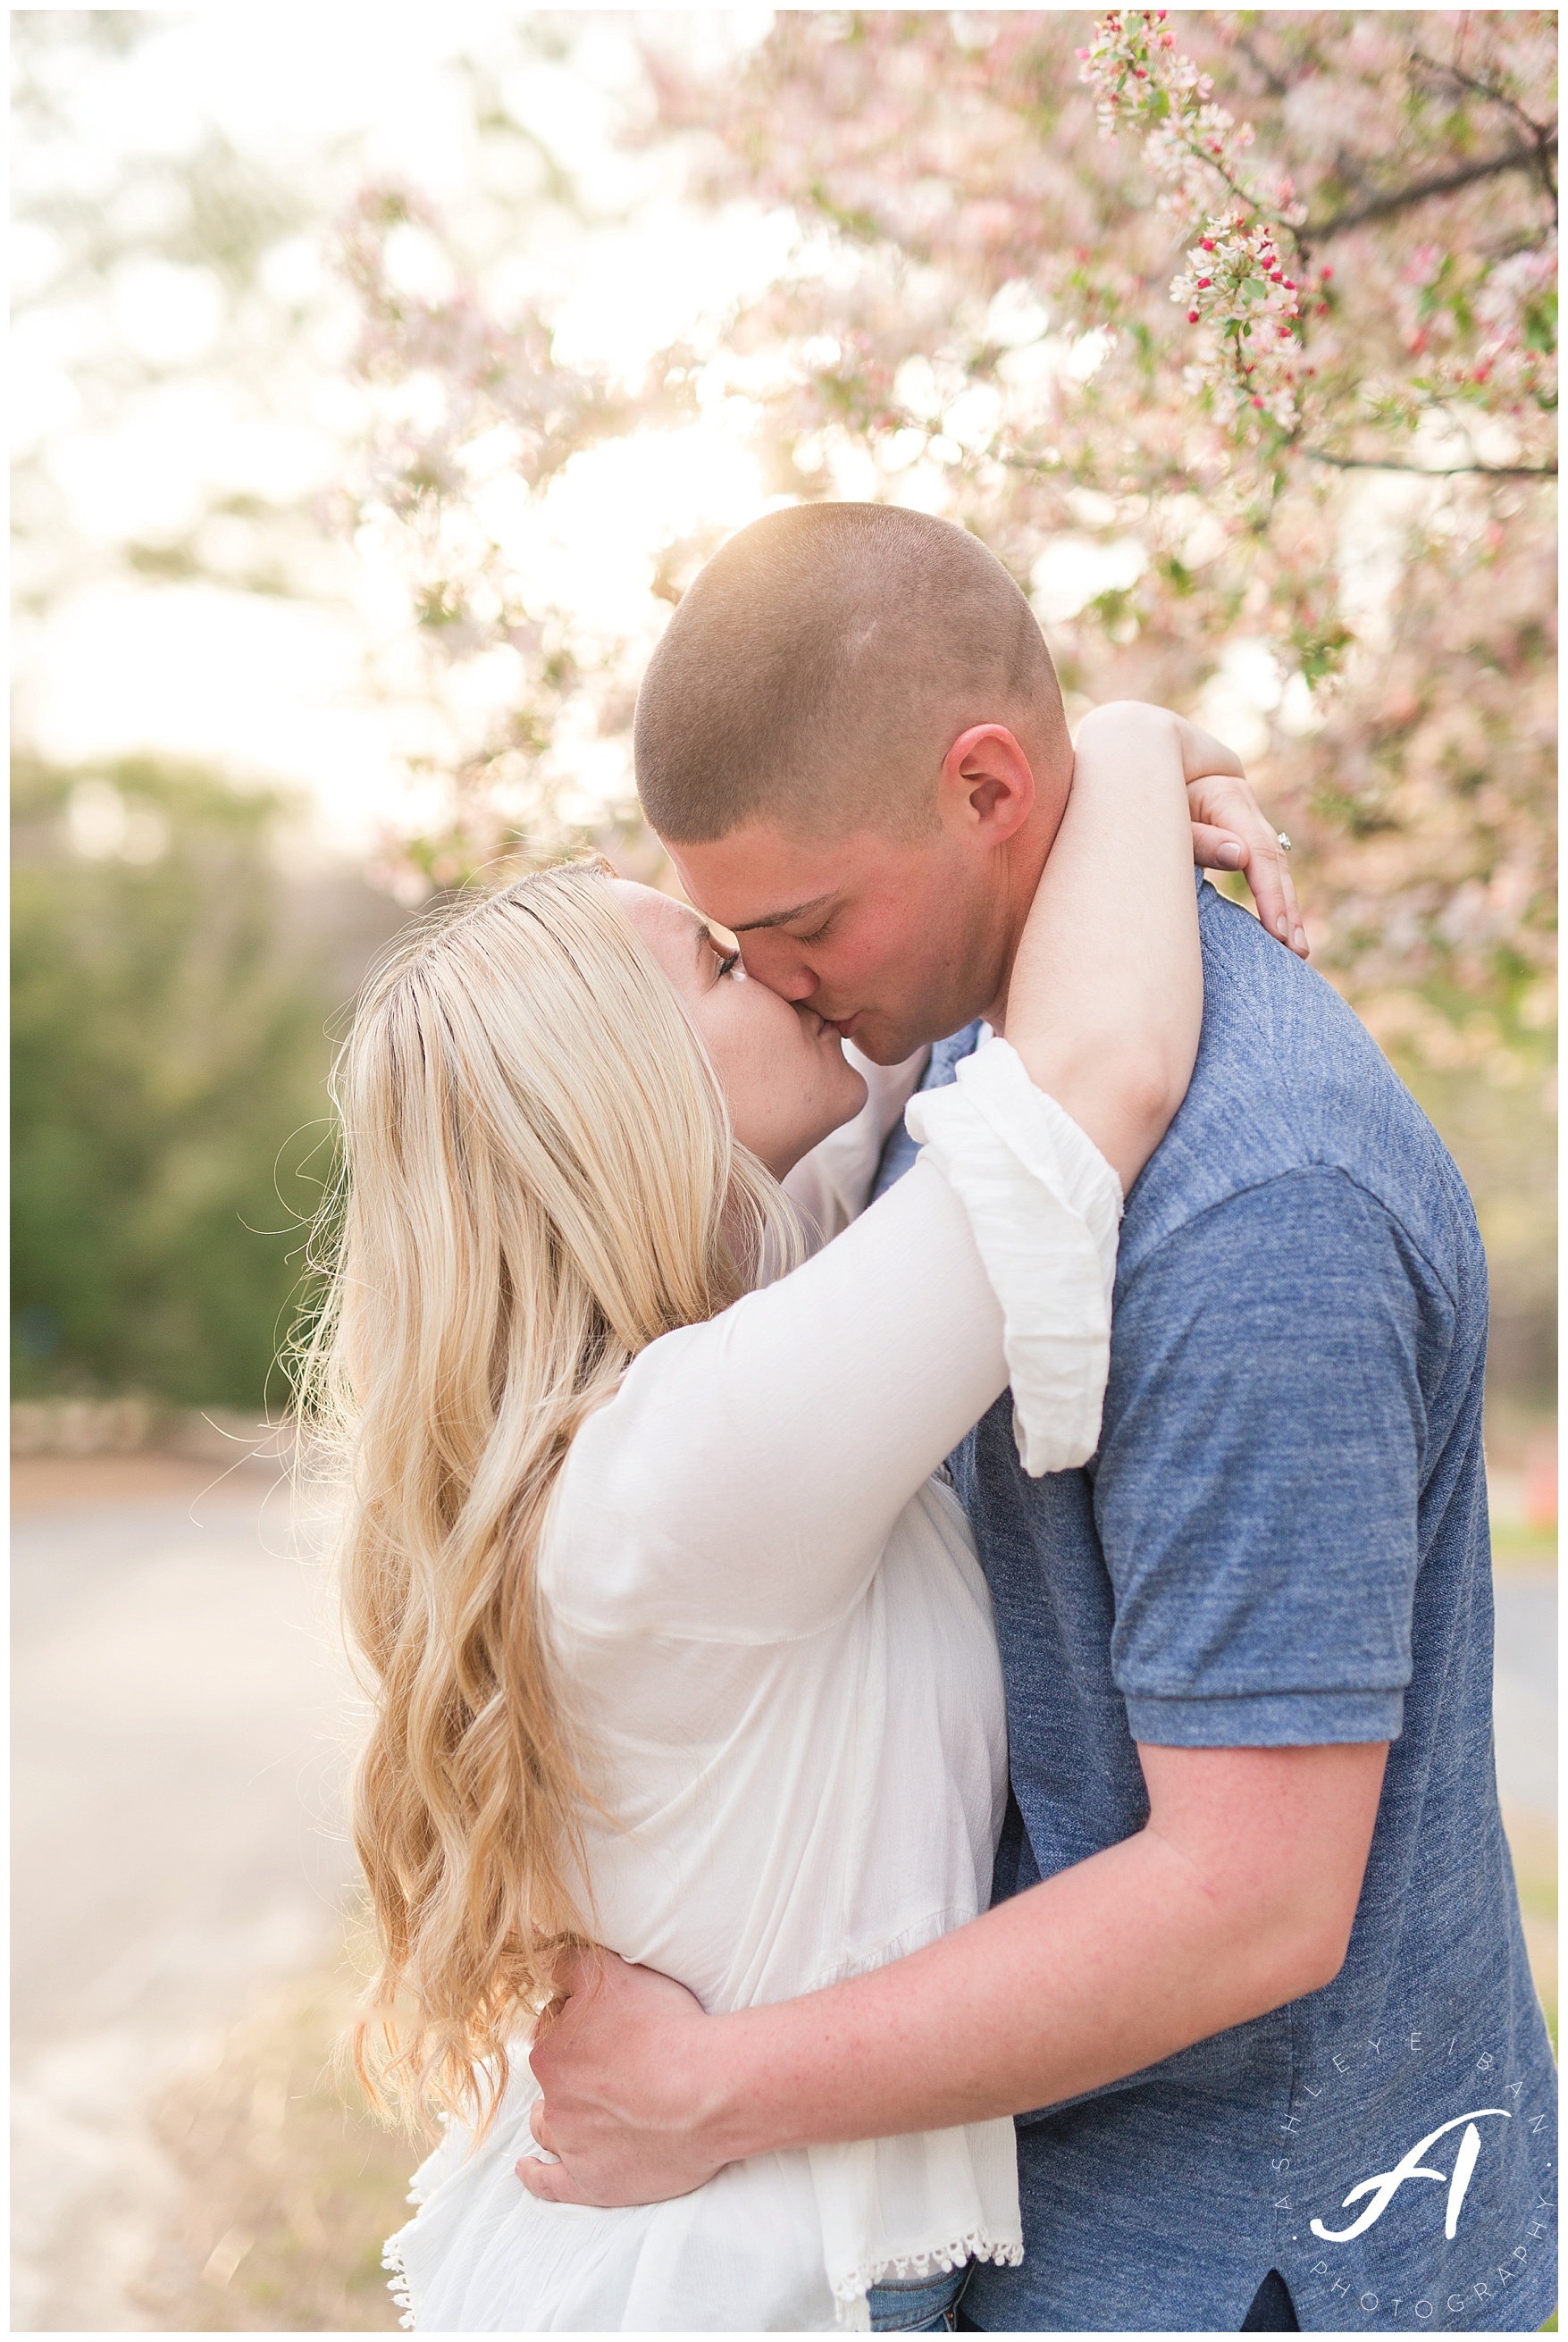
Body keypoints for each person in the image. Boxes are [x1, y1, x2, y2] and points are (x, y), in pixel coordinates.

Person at [516, 504, 1558, 2335]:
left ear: (989, 792)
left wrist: (708, 2087)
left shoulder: (1247, 1211)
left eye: (800, 923)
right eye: (730, 947)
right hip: (1040, 2211)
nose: (777, 981)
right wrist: (1139, 754)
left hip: (1251, 2259)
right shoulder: (961, 1060)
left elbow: (1245, 1906)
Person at [312, 694, 1281, 2331]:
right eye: (713, 961)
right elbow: (1092, 1076)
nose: (775, 966)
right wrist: (1109, 740)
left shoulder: (704, 1347)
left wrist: (1044, 786)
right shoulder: (690, 1467)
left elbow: (916, 972)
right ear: (627, 1108)